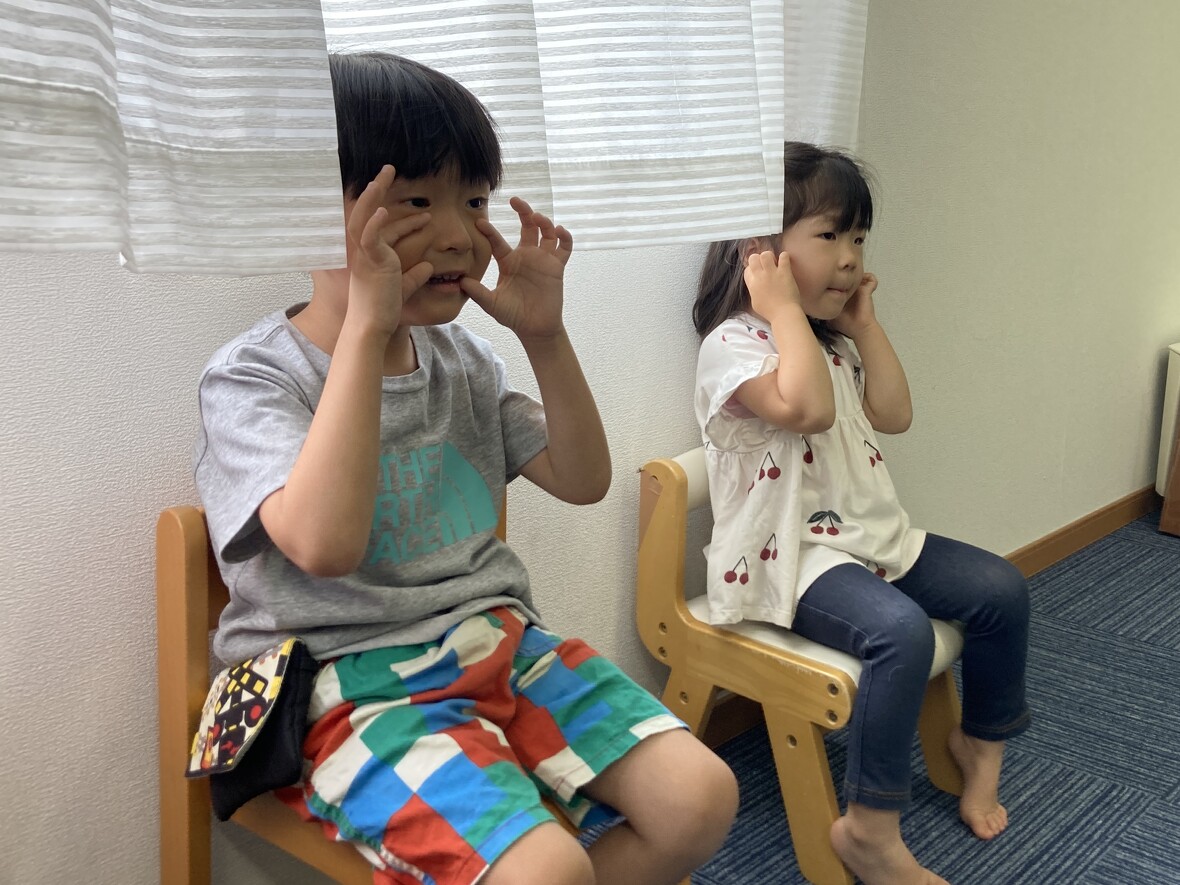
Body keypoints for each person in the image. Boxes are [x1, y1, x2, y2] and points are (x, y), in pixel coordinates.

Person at [194, 51, 737, 885]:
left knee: (701, 797)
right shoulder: (256, 377)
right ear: (308, 213)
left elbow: (582, 477)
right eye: (416, 201)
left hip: (499, 643)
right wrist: (366, 332)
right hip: (340, 687)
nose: (457, 234)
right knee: (548, 870)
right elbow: (325, 546)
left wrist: (545, 337)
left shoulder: (463, 360)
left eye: (475, 201)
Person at [692, 142, 1030, 885]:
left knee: (1001, 590)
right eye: (829, 235)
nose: (848, 259)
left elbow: (896, 413)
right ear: (759, 251)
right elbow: (807, 411)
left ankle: (979, 744)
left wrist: (866, 327)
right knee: (899, 633)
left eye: (859, 238)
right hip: (793, 559)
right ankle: (869, 827)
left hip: (873, 540)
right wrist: (782, 308)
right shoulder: (733, 346)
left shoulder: (833, 345)